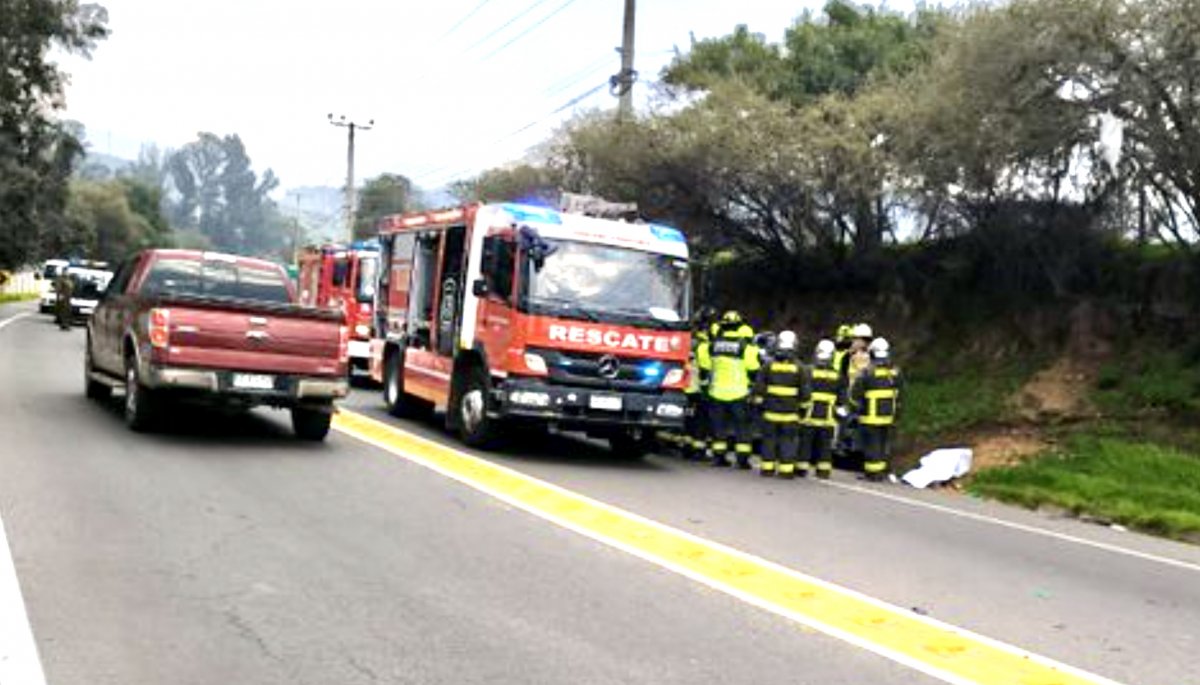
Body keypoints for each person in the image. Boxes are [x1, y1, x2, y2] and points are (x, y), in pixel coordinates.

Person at [697, 310, 760, 469]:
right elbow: (753, 370)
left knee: (719, 427)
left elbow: (705, 367)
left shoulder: (712, 346)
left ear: (722, 326)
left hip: (717, 392)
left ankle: (719, 457)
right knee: (742, 428)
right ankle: (742, 460)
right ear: (739, 326)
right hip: (739, 393)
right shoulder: (747, 348)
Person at [850, 337, 902, 481]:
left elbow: (854, 395)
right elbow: (900, 395)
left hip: (870, 416)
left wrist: (855, 409)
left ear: (872, 353)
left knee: (872, 444)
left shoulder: (867, 372)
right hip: (888, 416)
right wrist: (897, 414)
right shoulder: (895, 372)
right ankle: (881, 472)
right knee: (883, 443)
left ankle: (873, 474)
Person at [755, 330, 804, 478]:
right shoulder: (801, 368)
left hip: (770, 412)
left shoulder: (768, 366)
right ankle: (786, 471)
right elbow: (805, 393)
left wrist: (758, 406)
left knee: (769, 440)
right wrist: (802, 410)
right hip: (790, 414)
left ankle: (767, 469)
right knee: (788, 442)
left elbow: (759, 388)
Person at [801, 339, 842, 479]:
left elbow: (802, 392)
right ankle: (823, 471)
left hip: (808, 416)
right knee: (825, 447)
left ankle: (801, 469)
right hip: (828, 418)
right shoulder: (838, 375)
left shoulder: (807, 371)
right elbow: (841, 399)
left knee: (805, 445)